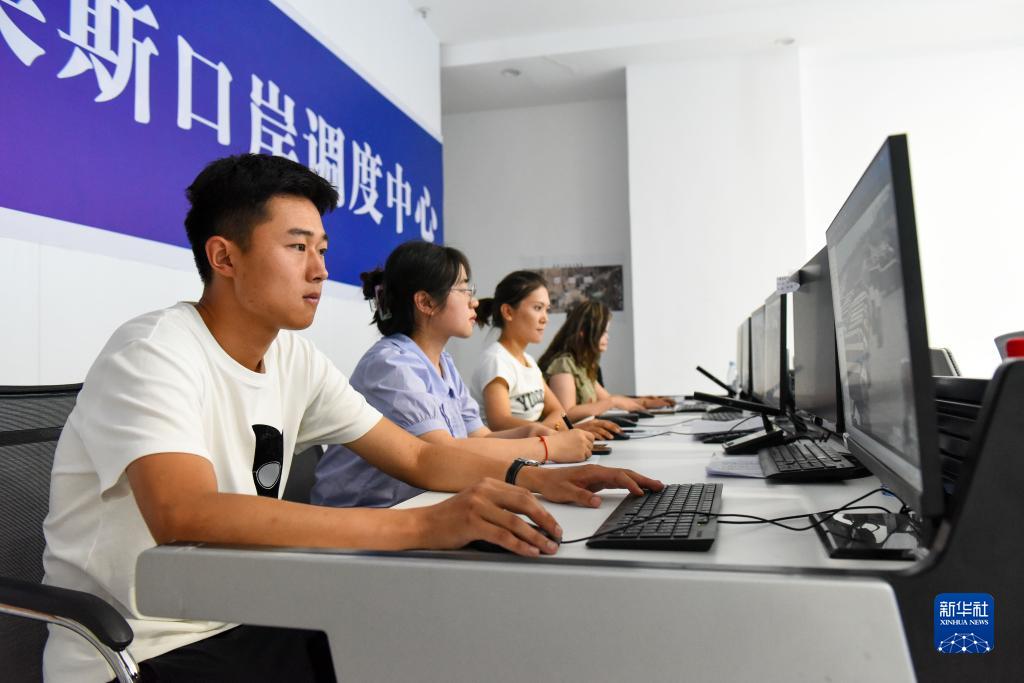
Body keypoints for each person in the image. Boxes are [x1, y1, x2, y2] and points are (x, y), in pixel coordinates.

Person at [40, 154, 663, 682]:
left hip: (244, 611)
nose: (319, 269)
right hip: (137, 649)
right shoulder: (153, 352)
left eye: (321, 249)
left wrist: (534, 474)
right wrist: (423, 526)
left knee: (448, 645)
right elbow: (185, 513)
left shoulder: (294, 359)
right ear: (224, 257)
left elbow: (418, 456)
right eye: (297, 247)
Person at [312, 241, 595, 509]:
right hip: (365, 514)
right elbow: (444, 454)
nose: (474, 302)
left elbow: (481, 436)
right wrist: (545, 447)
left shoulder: (443, 363)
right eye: (463, 289)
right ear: (425, 302)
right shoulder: (391, 365)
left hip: (417, 505)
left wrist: (529, 432)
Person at [470, 272, 622, 439]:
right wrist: (557, 431)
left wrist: (555, 430)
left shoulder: (528, 361)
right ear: (508, 312)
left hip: (535, 445)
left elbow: (558, 411)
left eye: (546, 310)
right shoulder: (496, 361)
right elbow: (500, 422)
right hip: (508, 452)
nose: (545, 319)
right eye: (537, 308)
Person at [539, 300, 673, 421]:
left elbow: (608, 399)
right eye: (603, 332)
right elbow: (566, 414)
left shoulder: (581, 366)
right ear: (583, 332)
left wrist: (645, 402)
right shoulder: (563, 365)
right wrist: (612, 402)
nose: (607, 337)